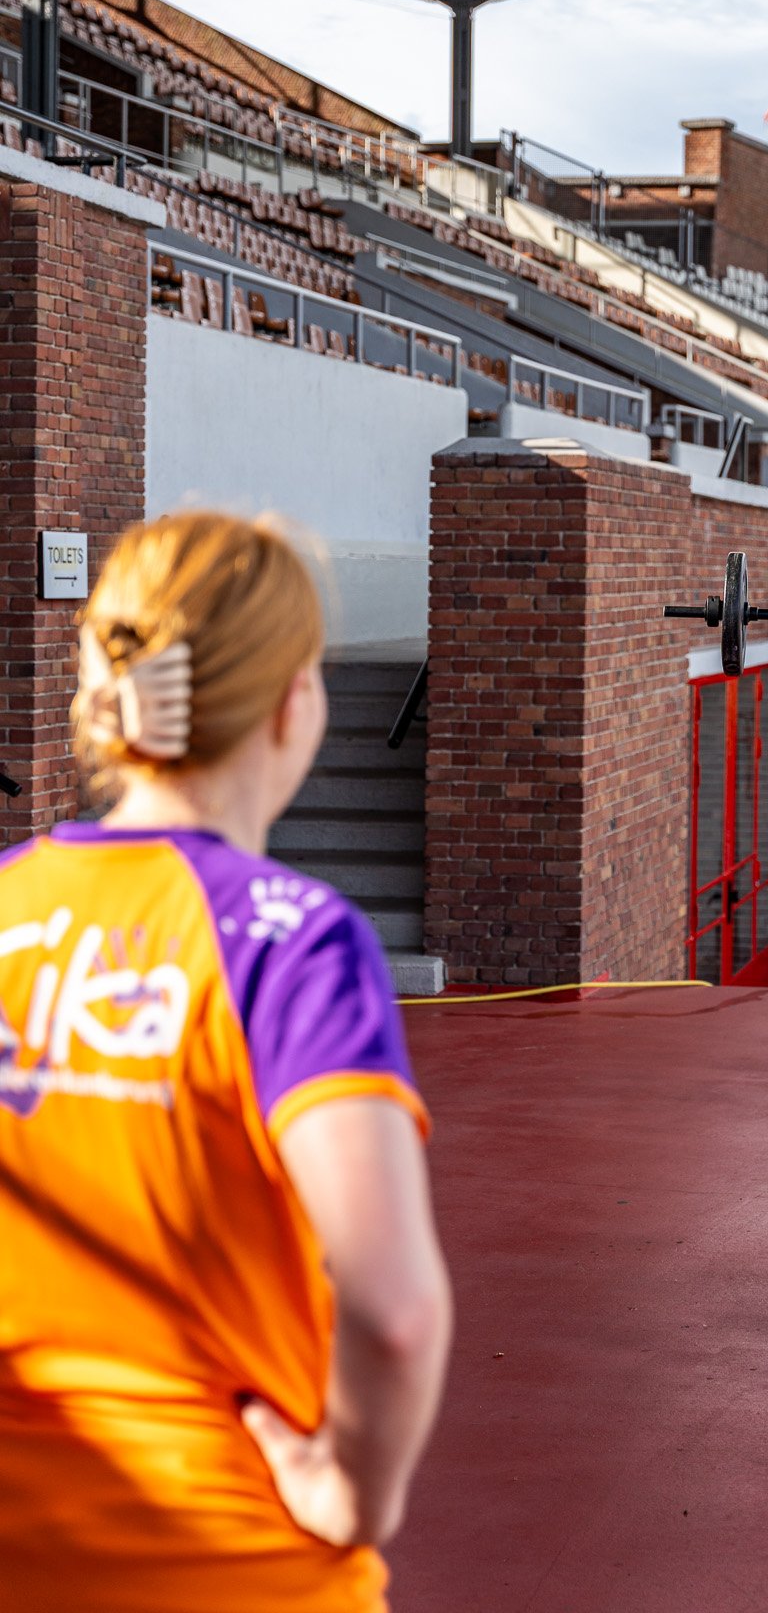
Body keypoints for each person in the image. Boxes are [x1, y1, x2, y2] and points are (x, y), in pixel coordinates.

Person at [0, 511, 452, 1612]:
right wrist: (351, 1493)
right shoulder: (290, 939)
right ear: (294, 699)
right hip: (232, 1564)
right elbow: (393, 1306)